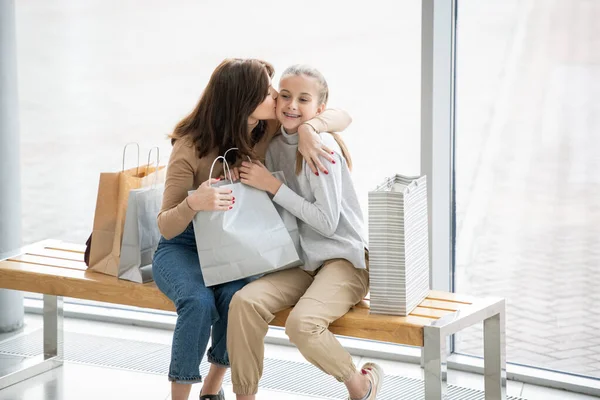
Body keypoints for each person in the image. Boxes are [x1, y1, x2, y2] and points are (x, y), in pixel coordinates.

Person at [152, 58, 353, 400]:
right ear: (243, 100)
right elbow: (166, 226)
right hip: (183, 247)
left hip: (233, 245)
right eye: (267, 91)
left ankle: (212, 388)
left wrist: (309, 128)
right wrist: (194, 203)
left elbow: (342, 116)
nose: (276, 97)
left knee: (235, 300)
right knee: (199, 302)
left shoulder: (265, 128)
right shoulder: (190, 145)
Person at [229, 64, 383, 400]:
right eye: (285, 95)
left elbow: (327, 223)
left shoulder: (319, 147)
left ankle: (360, 385)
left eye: (303, 99)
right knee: (243, 303)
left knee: (301, 324)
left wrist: (272, 185)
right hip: (300, 263)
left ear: (318, 110)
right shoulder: (271, 145)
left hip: (344, 260)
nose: (291, 105)